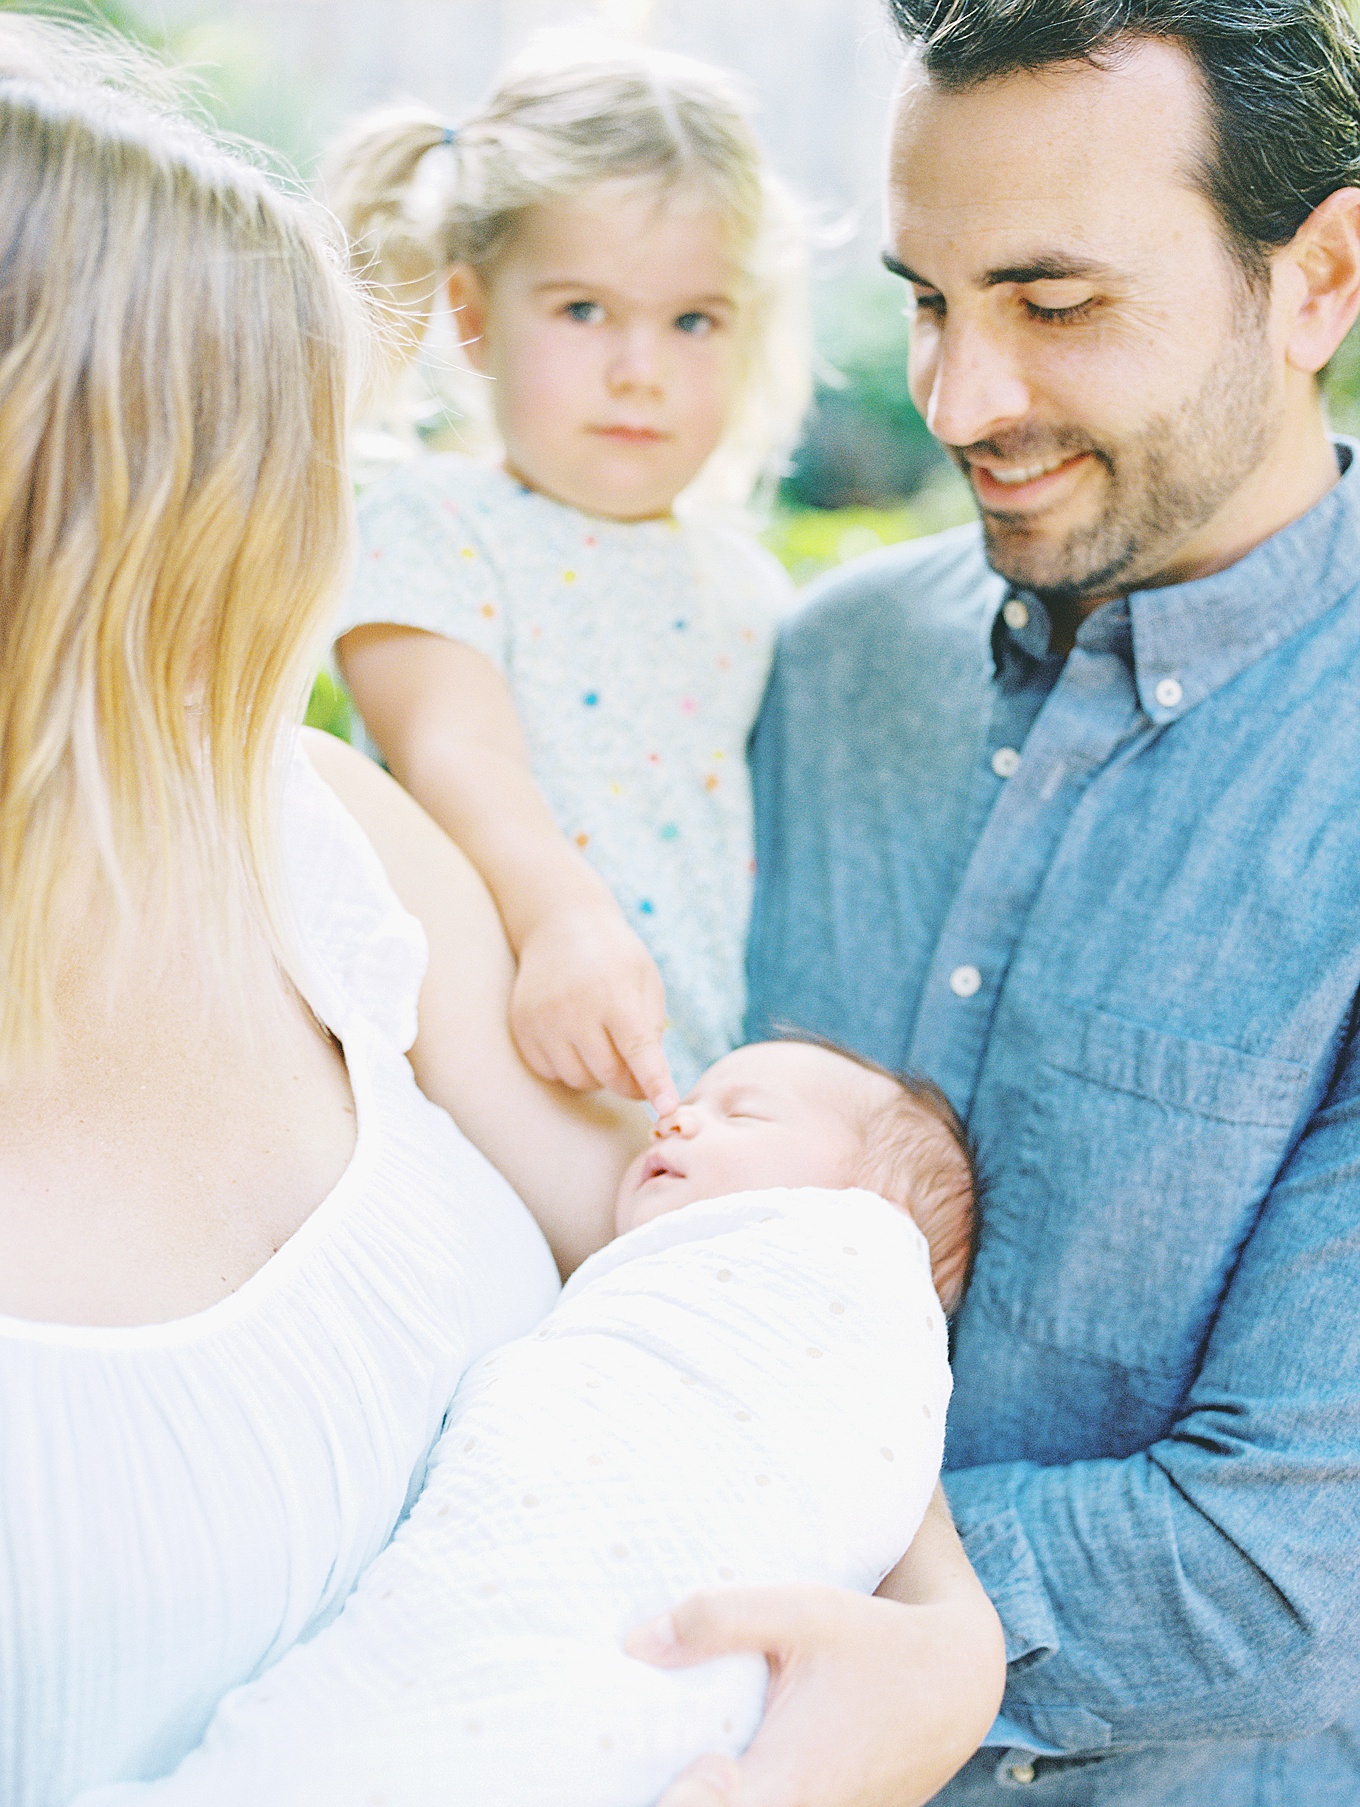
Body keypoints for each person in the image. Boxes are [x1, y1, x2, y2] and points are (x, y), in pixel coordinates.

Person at [0, 18, 1002, 1807]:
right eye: (287, 472)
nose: (328, 537)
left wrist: (945, 1644)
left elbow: (722, 1259)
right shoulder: (415, 678)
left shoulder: (325, 843)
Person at [650, 0, 1360, 1802]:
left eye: (1055, 306)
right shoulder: (817, 671)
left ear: (1322, 282)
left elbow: (1285, 1568)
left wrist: (644, 1540)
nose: (961, 398)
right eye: (926, 299)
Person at [72, 1041, 974, 1805]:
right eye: (691, 1097)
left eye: (742, 1115)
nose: (673, 1117)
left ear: (869, 1213)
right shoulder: (674, 1289)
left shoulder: (849, 1289)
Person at [326, 38, 810, 1111]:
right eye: (584, 310)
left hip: (676, 1086)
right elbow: (453, 750)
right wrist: (564, 919)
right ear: (472, 313)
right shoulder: (432, 522)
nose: (639, 370)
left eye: (693, 320)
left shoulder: (744, 581)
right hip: (485, 1061)